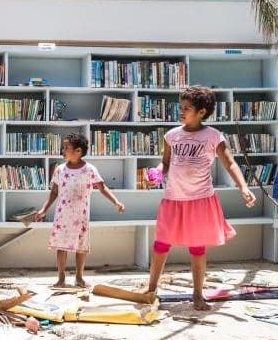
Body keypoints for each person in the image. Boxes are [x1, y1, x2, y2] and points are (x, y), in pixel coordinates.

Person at [144, 85, 256, 310]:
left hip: (200, 200)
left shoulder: (213, 136)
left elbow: (230, 163)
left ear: (202, 112)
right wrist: (155, 174)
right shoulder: (172, 135)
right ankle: (151, 289)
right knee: (161, 244)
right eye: (181, 107)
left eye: (187, 108)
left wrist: (243, 187)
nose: (182, 112)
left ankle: (197, 295)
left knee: (197, 248)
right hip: (173, 198)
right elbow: (165, 163)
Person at [34, 132, 125, 288]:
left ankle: (79, 277)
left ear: (78, 151)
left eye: (67, 148)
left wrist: (116, 201)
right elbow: (54, 192)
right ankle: (61, 277)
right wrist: (43, 209)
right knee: (61, 246)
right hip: (62, 215)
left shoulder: (89, 169)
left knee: (81, 246)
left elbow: (102, 187)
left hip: (81, 216)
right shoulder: (60, 170)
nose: (63, 151)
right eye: (64, 147)